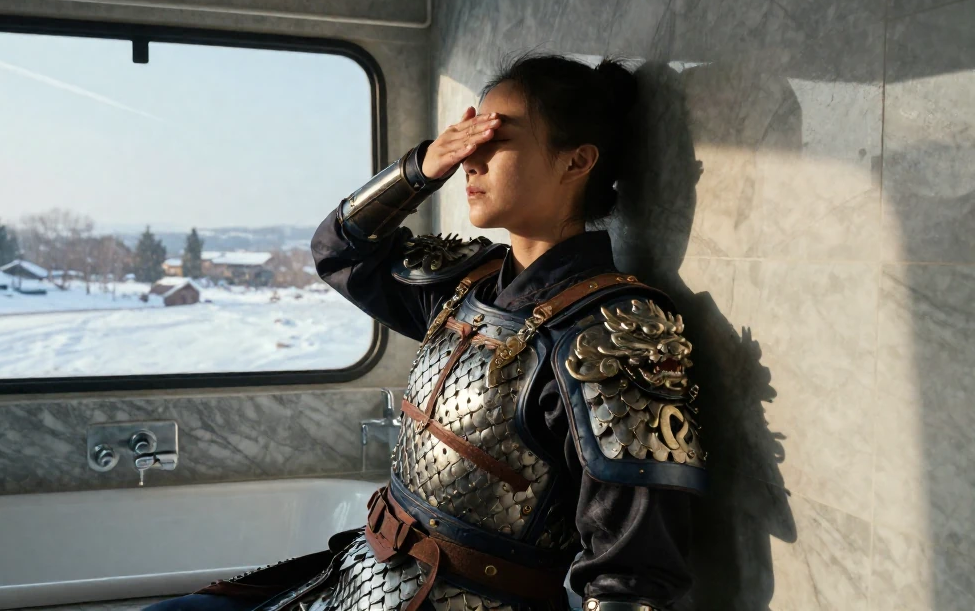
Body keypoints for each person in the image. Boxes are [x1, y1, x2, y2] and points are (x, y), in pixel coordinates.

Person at [146, 53, 705, 611]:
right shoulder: (469, 283)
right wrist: (420, 168)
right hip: (364, 577)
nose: (471, 160)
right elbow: (339, 253)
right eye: (468, 137)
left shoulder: (612, 337)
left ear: (576, 161)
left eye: (494, 139)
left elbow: (633, 578)